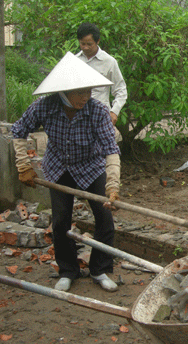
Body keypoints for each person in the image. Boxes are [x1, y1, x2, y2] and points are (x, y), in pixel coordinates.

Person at [12, 52, 121, 293]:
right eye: (80, 92)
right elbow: (18, 131)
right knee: (61, 221)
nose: (86, 97)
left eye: (89, 91)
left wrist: (113, 186)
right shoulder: (45, 107)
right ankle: (68, 270)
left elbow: (111, 151)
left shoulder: (98, 111)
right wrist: (23, 165)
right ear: (64, 92)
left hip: (91, 168)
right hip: (59, 167)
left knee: (104, 220)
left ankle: (100, 269)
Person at [76, 22, 127, 142]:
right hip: (78, 120)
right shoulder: (75, 61)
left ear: (97, 41)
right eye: (82, 44)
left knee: (104, 153)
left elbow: (121, 90)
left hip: (100, 119)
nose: (85, 47)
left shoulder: (109, 62)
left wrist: (114, 112)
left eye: (89, 44)